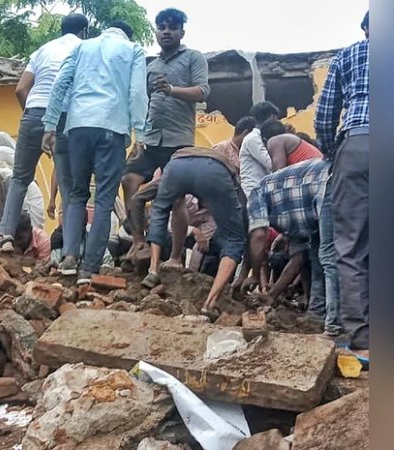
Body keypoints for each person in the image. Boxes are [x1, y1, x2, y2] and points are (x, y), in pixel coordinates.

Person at [41, 20, 148, 284]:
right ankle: (89, 268)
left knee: (76, 194)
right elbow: (137, 93)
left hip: (77, 127)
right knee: (104, 199)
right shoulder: (133, 50)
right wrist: (140, 134)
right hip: (112, 127)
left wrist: (50, 125)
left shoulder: (81, 47)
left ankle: (69, 257)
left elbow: (60, 83)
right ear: (127, 35)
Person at [121, 8, 210, 263]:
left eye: (172, 27)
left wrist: (171, 89)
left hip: (179, 141)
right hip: (151, 140)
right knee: (128, 179)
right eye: (161, 27)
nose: (166, 32)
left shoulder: (193, 58)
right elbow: (145, 103)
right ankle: (138, 241)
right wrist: (138, 138)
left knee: (176, 199)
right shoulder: (152, 66)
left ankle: (175, 257)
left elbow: (203, 91)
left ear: (182, 32)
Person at [0, 13, 89, 249]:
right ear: (83, 31)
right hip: (62, 117)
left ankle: (5, 236)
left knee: (20, 178)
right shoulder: (84, 49)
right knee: (67, 186)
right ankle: (70, 248)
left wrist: (31, 117)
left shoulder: (42, 50)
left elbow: (20, 89)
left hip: (33, 112)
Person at [315, 11, 369, 357]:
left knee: (351, 246)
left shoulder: (347, 56)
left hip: (358, 146)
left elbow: (324, 115)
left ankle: (364, 340)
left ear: (366, 28)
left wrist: (333, 152)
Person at [142, 147, 246, 317]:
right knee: (234, 239)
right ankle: (209, 304)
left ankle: (153, 269)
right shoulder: (231, 189)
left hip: (177, 165)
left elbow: (157, 209)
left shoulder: (202, 206)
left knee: (163, 209)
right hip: (215, 170)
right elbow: (240, 220)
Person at [245, 159, 341, 336]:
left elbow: (257, 236)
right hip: (322, 191)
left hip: (328, 181)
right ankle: (317, 313)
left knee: (329, 256)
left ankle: (334, 325)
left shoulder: (257, 195)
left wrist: (254, 276)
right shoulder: (291, 215)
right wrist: (272, 294)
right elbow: (299, 258)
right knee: (317, 256)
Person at [239, 101, 280, 200]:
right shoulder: (253, 138)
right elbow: (271, 164)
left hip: (262, 190)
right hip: (253, 191)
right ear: (272, 117)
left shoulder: (262, 137)